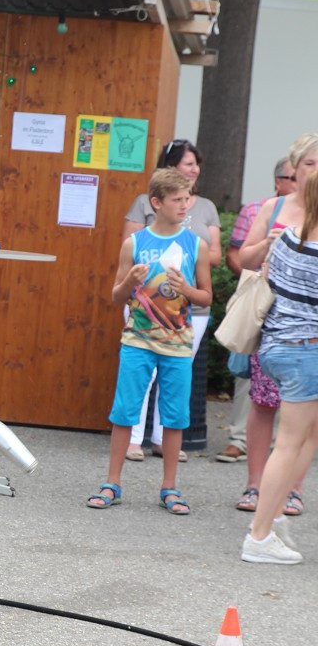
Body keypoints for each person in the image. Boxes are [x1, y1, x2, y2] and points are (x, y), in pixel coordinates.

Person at [87, 168, 212, 515]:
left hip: (177, 345)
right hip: (137, 341)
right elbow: (115, 296)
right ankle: (112, 482)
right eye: (177, 200)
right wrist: (129, 280)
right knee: (125, 411)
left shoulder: (196, 245)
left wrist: (187, 290)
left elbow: (206, 297)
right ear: (156, 203)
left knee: (174, 416)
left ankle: (169, 487)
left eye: (187, 199)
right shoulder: (135, 243)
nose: (185, 205)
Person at [122, 139, 221, 462]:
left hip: (189, 311)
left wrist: (188, 273)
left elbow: (214, 256)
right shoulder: (143, 203)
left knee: (175, 375)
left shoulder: (205, 207)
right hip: (146, 305)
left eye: (197, 164)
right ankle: (133, 439)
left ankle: (164, 440)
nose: (194, 169)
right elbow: (132, 247)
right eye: (188, 163)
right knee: (142, 377)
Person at [241, 154, 318, 565]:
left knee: (306, 438)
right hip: (306, 352)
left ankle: (270, 518)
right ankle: (259, 535)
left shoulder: (286, 237)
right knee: (289, 444)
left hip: (277, 347)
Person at [216, 156, 296, 463]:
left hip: (299, 314)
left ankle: (286, 451)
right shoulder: (257, 209)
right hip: (261, 300)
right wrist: (255, 278)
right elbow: (235, 255)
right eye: (291, 177)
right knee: (248, 375)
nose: (298, 183)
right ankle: (238, 438)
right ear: (278, 181)